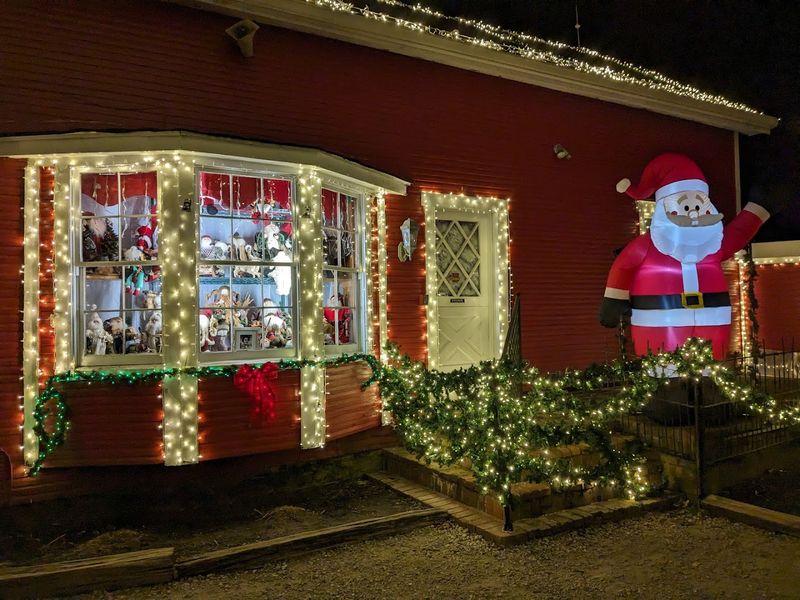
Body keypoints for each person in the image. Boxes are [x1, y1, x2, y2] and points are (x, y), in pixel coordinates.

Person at [599, 153, 771, 360]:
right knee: (664, 366)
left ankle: (708, 385)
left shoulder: (713, 243)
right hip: (660, 319)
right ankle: (666, 387)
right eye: (684, 206)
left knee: (709, 367)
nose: (692, 214)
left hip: (712, 317)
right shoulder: (646, 246)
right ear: (665, 209)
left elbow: (740, 232)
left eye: (699, 206)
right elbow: (624, 266)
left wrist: (760, 207)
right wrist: (614, 301)